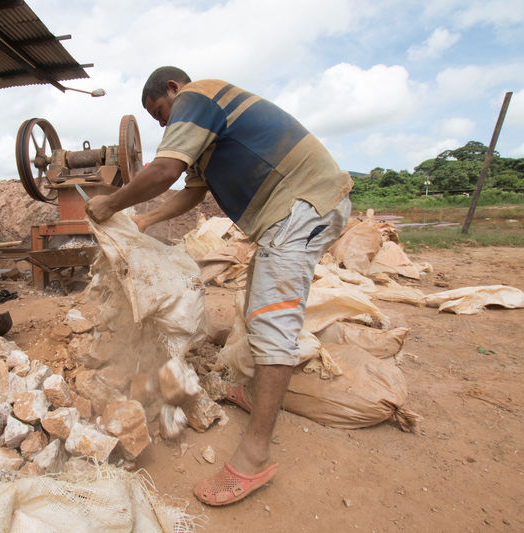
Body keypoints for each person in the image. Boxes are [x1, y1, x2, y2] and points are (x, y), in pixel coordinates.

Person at [86, 66, 352, 506]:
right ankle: (253, 393)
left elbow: (165, 169)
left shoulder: (197, 97)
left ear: (173, 89)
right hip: (290, 211)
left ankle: (255, 456)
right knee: (256, 307)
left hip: (301, 205)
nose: (163, 124)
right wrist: (145, 220)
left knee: (272, 323)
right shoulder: (207, 136)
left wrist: (111, 203)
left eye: (159, 112)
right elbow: (192, 190)